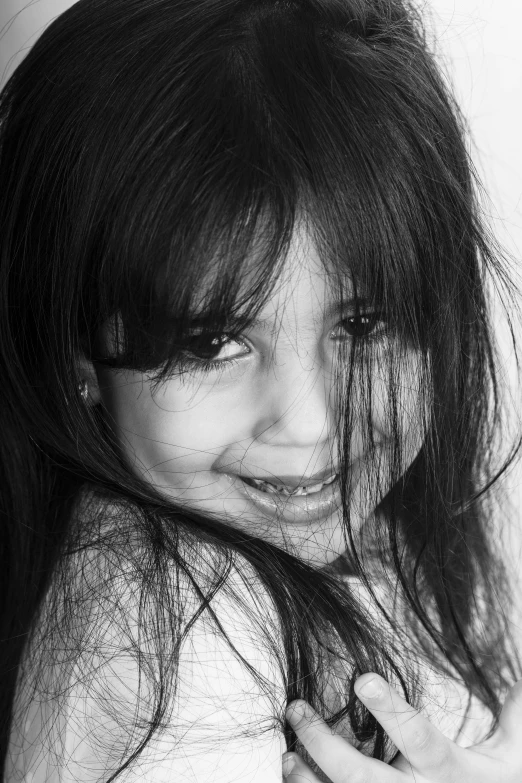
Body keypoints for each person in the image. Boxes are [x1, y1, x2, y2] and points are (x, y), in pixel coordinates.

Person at [1, 0, 522, 780]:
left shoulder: (391, 541)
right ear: (79, 354)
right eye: (214, 342)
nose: (311, 423)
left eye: (366, 323)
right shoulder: (185, 627)